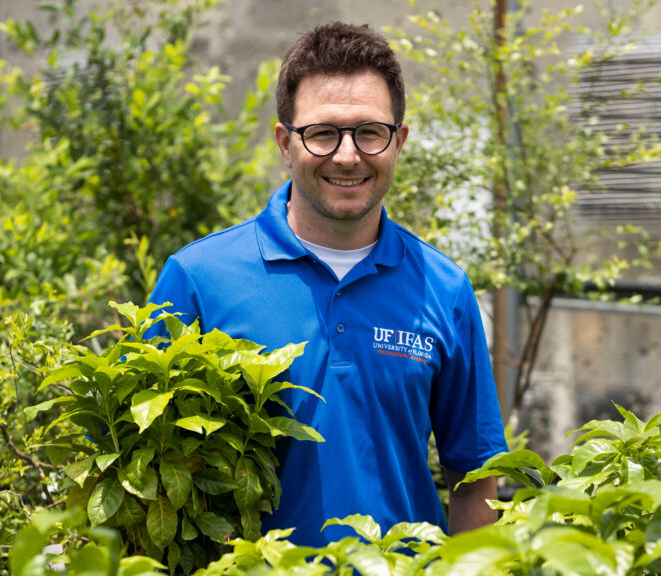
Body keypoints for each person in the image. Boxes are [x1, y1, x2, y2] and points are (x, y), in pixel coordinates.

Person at [146, 21, 507, 547]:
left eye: (369, 132)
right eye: (322, 133)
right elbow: (140, 477)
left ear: (399, 141)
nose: (346, 155)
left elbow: (475, 480)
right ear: (284, 143)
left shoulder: (444, 288)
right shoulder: (199, 279)